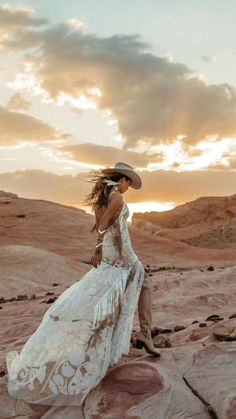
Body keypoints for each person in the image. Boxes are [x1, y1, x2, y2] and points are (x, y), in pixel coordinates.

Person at [6, 162, 160, 408]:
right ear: (121, 180)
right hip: (120, 250)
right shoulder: (117, 197)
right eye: (128, 182)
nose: (128, 186)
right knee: (144, 284)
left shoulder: (103, 196)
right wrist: (124, 255)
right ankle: (145, 335)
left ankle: (129, 336)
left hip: (109, 249)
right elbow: (106, 226)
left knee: (115, 292)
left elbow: (100, 229)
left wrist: (99, 248)